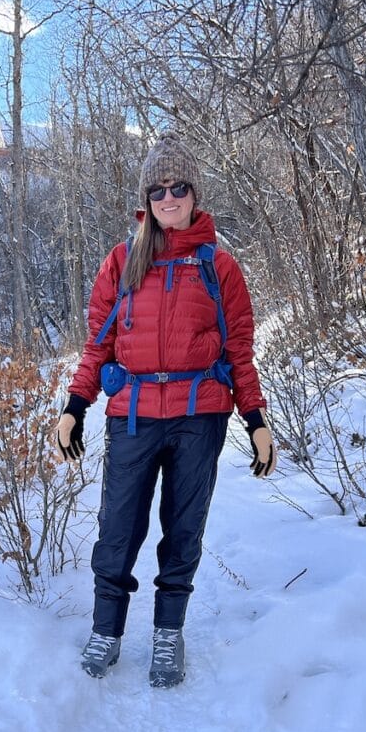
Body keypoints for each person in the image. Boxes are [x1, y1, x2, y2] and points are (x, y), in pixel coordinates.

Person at [55, 131, 276, 688]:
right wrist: (74, 406)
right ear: (146, 200)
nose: (168, 198)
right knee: (117, 528)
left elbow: (238, 350)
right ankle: (107, 629)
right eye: (157, 190)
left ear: (194, 192)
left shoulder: (218, 267)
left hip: (199, 417)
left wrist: (256, 419)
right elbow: (97, 344)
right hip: (132, 415)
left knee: (183, 528)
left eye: (178, 187)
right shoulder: (122, 262)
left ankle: (168, 633)